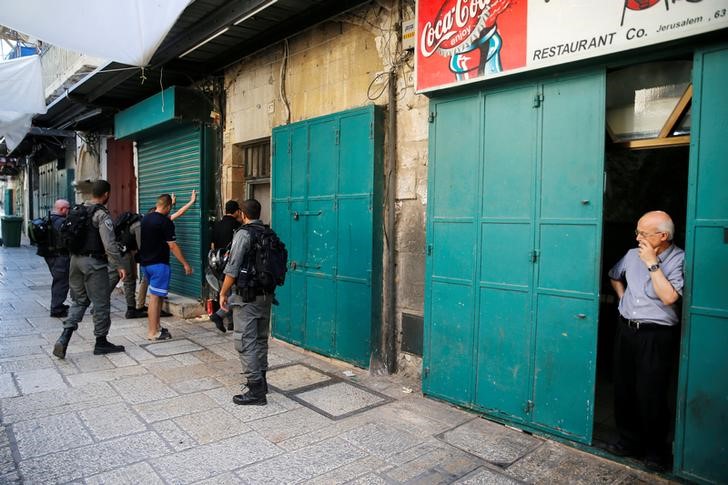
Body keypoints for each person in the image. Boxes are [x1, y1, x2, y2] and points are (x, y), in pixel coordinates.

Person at [608, 210, 684, 471]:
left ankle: (655, 451)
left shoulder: (679, 259)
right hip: (627, 330)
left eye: (643, 232)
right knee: (624, 388)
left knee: (651, 393)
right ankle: (628, 441)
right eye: (637, 231)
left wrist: (652, 263)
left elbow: (669, 297)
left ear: (662, 236)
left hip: (656, 335)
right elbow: (614, 274)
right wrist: (622, 299)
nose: (637, 236)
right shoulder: (631, 255)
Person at [52, 180, 127, 359]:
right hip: (94, 264)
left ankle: (64, 337)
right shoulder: (101, 214)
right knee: (101, 302)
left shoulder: (80, 209)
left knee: (79, 301)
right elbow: (109, 244)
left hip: (75, 261)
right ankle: (101, 342)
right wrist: (119, 265)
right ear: (106, 194)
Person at [219, 199, 273, 406]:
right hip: (266, 296)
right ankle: (263, 381)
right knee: (260, 340)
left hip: (247, 297)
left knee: (244, 341)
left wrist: (223, 293)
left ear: (242, 213)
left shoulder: (244, 234)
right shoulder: (268, 233)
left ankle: (256, 390)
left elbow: (232, 268)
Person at [139, 193, 192, 340]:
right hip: (159, 265)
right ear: (168, 207)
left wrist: (172, 203)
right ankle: (152, 332)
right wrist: (185, 264)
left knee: (158, 297)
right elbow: (172, 246)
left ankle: (157, 327)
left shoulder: (146, 218)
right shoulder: (165, 222)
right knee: (155, 299)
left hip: (146, 264)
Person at [209, 200, 242, 332]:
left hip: (219, 264)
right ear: (236, 211)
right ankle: (230, 322)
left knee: (224, 292)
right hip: (233, 263)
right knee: (235, 292)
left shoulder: (217, 225)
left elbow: (212, 246)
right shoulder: (239, 226)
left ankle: (224, 319)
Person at [108, 212, 146, 319]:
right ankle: (131, 310)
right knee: (129, 280)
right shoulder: (139, 224)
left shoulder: (129, 221)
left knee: (113, 278)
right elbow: (141, 245)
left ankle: (99, 305)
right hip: (124, 254)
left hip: (115, 252)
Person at [45, 199, 71, 318]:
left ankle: (58, 305)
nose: (69, 211)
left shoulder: (48, 219)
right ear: (62, 209)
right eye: (68, 208)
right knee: (61, 282)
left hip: (49, 255)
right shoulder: (60, 222)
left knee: (59, 279)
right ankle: (56, 308)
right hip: (60, 255)